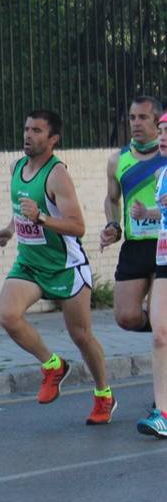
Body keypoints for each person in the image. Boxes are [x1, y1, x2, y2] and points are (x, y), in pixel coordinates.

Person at [0, 110, 115, 425]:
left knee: (81, 335)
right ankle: (52, 365)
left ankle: (103, 394)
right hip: (30, 264)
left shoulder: (57, 174)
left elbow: (78, 226)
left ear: (53, 140)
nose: (28, 135)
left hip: (65, 266)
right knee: (8, 316)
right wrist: (10, 229)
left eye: (37, 130)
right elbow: (23, 209)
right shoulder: (17, 167)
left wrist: (42, 219)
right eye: (26, 128)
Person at [98, 96, 165, 333]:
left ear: (158, 122)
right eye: (132, 117)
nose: (135, 123)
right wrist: (113, 225)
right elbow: (112, 199)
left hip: (164, 244)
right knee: (126, 317)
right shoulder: (118, 160)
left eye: (143, 117)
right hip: (135, 246)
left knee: (160, 317)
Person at [138, 111, 167, 438]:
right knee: (160, 335)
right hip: (163, 260)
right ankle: (162, 412)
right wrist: (148, 212)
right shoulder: (162, 173)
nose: (162, 137)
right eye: (160, 131)